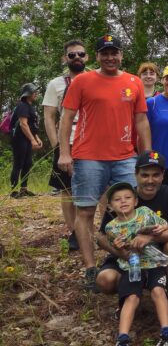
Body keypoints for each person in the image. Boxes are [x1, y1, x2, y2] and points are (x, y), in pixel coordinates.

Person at [58, 34, 151, 291]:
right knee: (86, 211)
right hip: (89, 157)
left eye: (115, 52)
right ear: (97, 56)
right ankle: (90, 268)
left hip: (125, 157)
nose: (110, 57)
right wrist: (65, 152)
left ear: (121, 54)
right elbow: (66, 118)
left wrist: (147, 154)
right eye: (105, 53)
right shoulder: (82, 81)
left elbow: (141, 121)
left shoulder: (133, 82)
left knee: (129, 210)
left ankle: (131, 261)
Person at [96, 151, 168, 331]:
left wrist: (150, 237)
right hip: (126, 257)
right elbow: (101, 236)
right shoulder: (123, 197)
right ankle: (127, 297)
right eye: (144, 175)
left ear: (163, 175)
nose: (150, 180)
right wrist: (120, 252)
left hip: (157, 255)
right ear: (136, 174)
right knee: (104, 281)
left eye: (155, 175)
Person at [102, 181, 168, 346]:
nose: (123, 201)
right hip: (131, 266)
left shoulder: (145, 212)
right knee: (131, 297)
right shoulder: (111, 227)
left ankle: (167, 332)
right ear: (110, 206)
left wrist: (158, 229)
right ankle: (122, 337)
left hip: (153, 263)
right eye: (117, 199)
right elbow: (116, 246)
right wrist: (119, 246)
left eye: (127, 197)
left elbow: (164, 224)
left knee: (158, 291)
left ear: (135, 201)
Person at [42, 39, 88, 249]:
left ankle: (97, 228)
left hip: (91, 139)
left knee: (98, 187)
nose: (77, 58)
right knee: (67, 189)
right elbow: (49, 116)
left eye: (80, 54)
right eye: (72, 55)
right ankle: (74, 232)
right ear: (65, 58)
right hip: (66, 140)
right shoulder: (56, 84)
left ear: (87, 56)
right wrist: (57, 145)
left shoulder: (95, 78)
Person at [10, 83, 42, 198]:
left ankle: (24, 189)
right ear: (28, 94)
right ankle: (13, 191)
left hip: (27, 138)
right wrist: (32, 140)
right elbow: (23, 124)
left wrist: (36, 138)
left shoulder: (30, 106)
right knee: (19, 163)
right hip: (19, 138)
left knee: (28, 163)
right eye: (34, 92)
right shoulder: (22, 105)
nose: (36, 93)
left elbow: (32, 125)